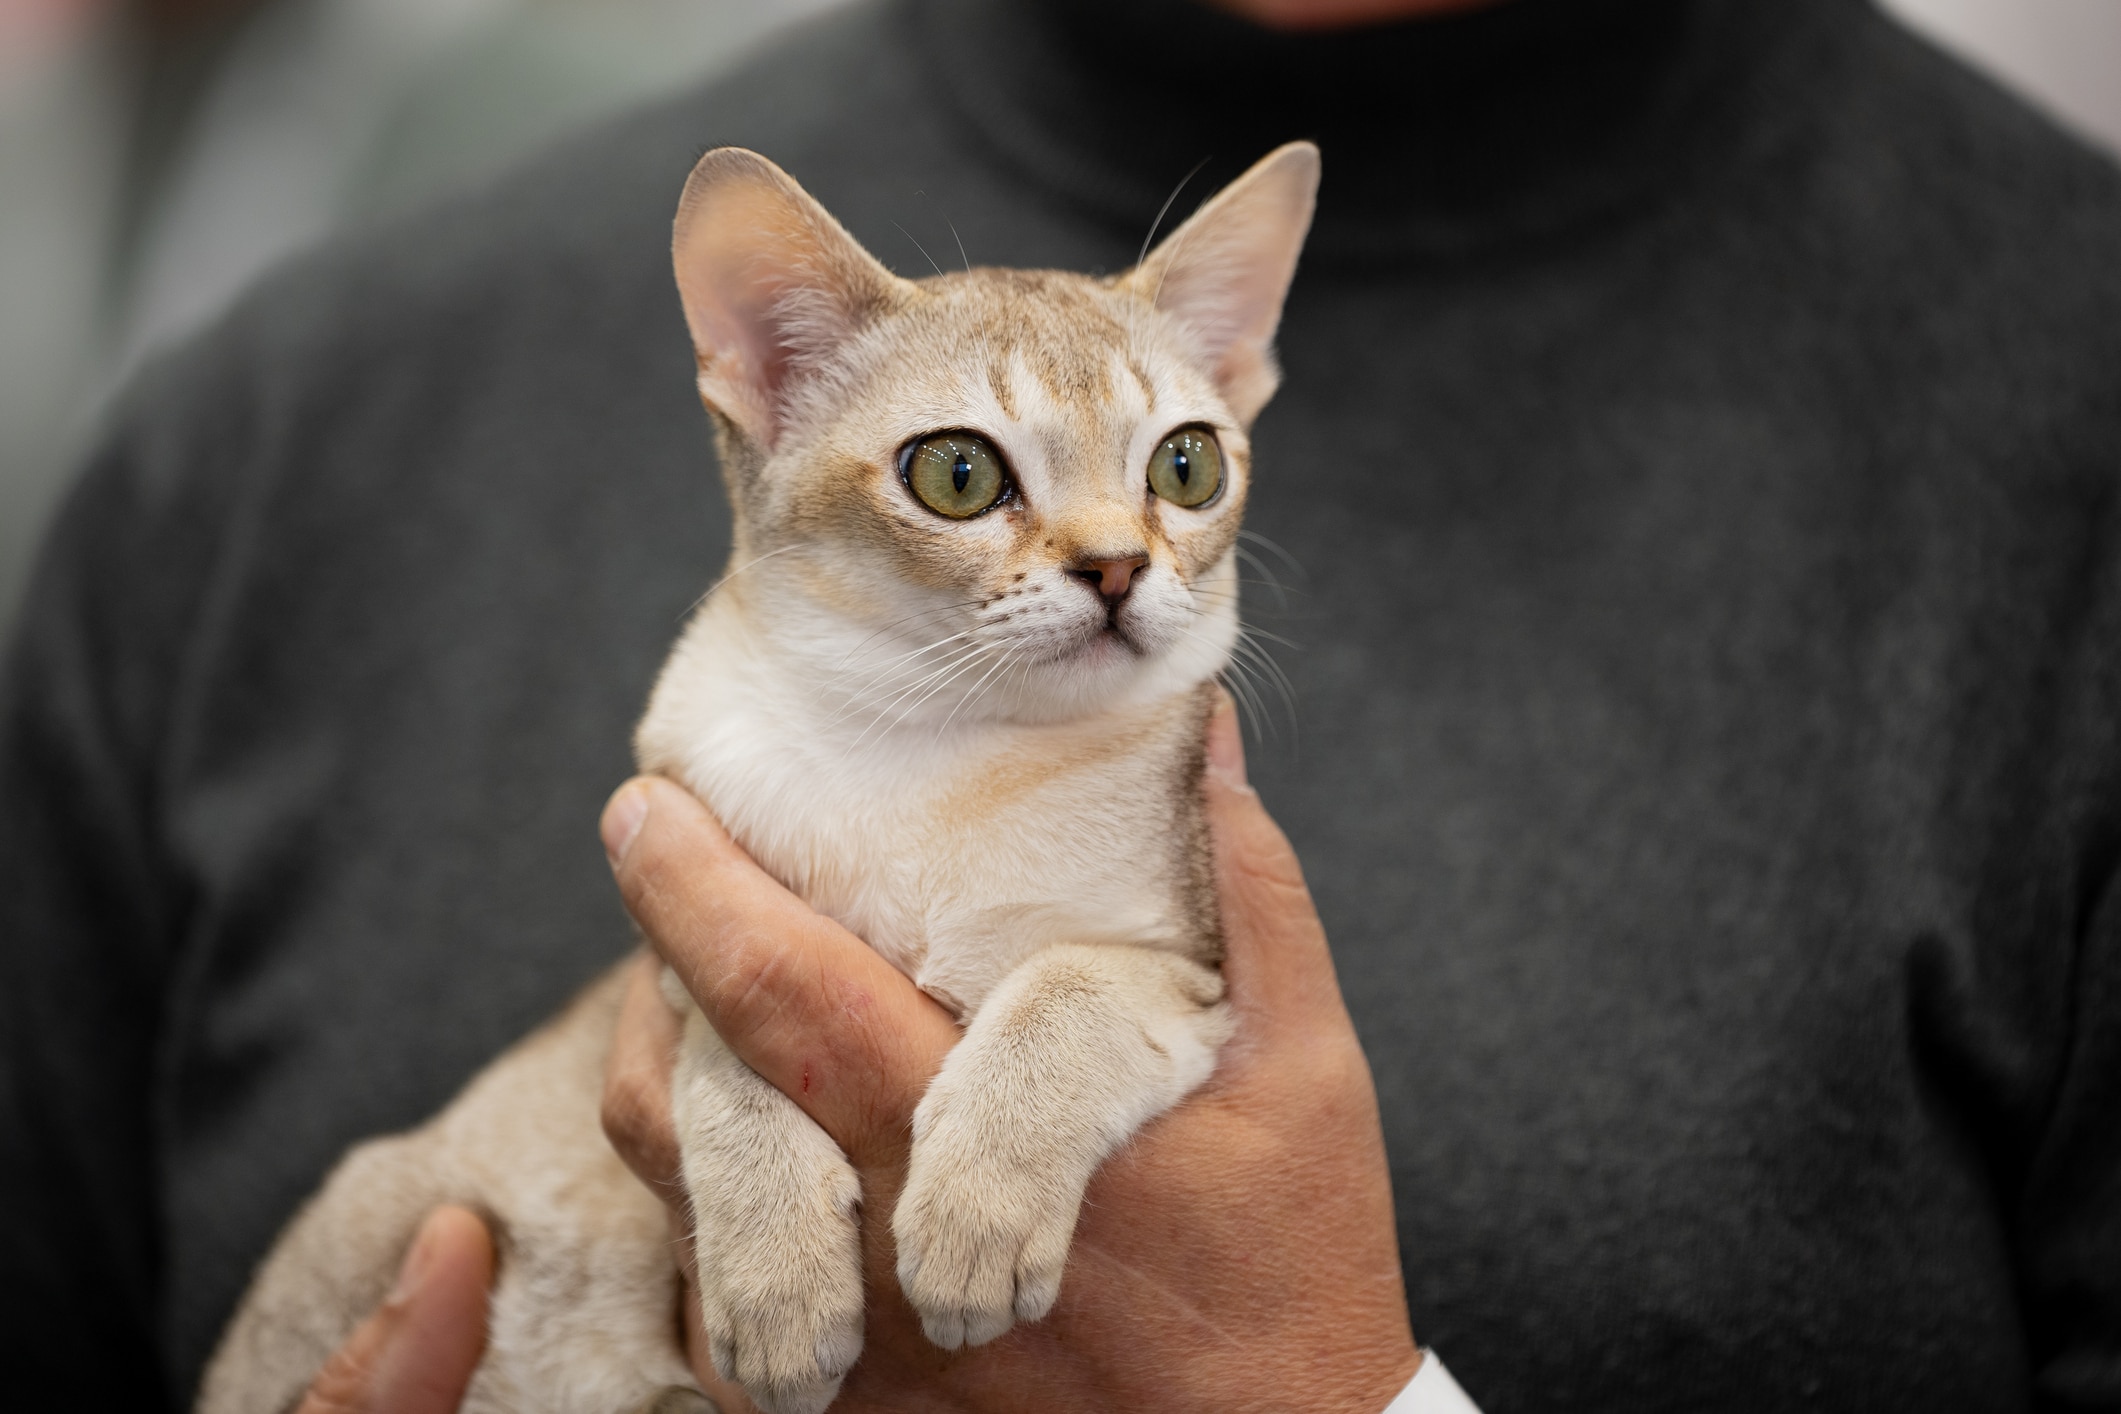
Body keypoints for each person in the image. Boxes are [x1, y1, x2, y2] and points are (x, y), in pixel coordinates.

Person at [3, 0, 2117, 1409]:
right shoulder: (264, 447)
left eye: (1182, 473)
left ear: (1233, 380)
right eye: (962, 476)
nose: (1118, 554)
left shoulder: (2060, 401)